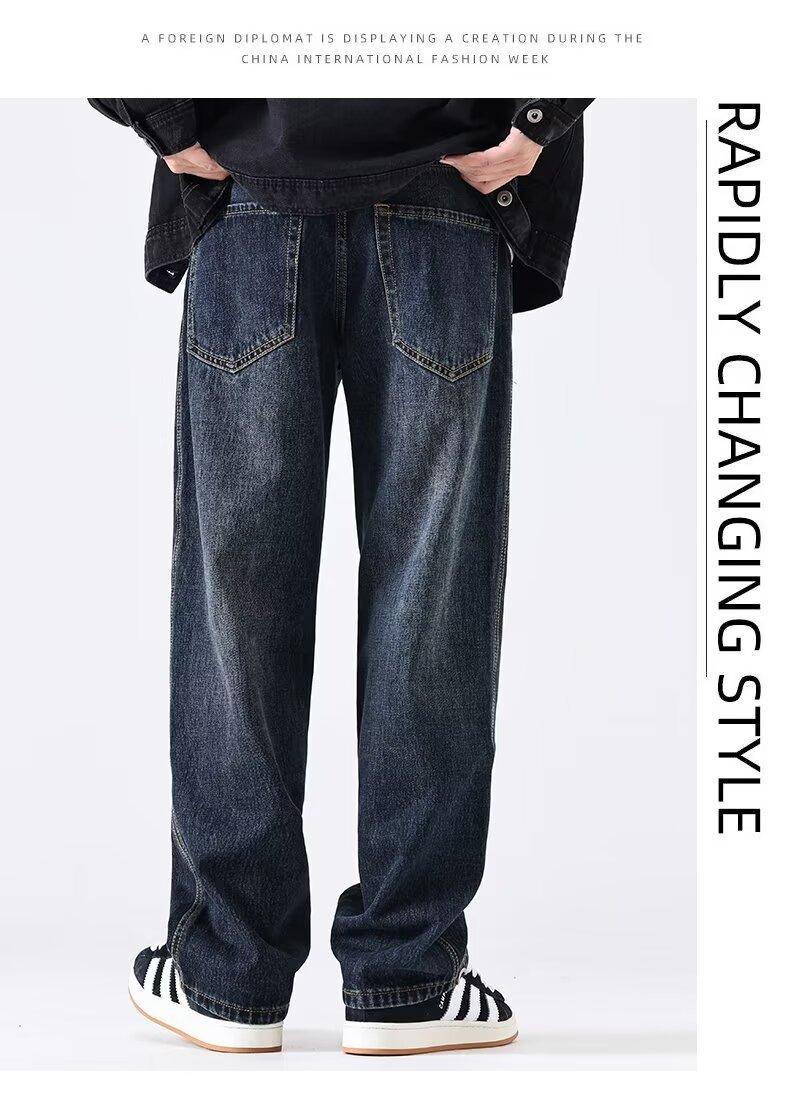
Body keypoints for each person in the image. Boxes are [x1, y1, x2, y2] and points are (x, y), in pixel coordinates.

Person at [90, 98, 592, 1057]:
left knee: (236, 603)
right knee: (432, 602)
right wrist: (534, 122)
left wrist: (166, 122)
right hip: (446, 195)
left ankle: (226, 972)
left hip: (253, 194)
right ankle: (407, 975)